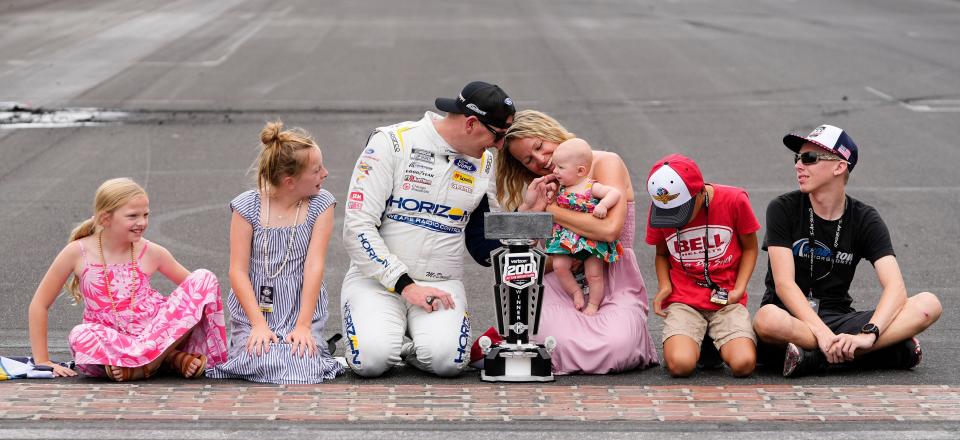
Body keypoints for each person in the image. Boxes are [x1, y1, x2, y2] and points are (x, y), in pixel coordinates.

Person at [340, 81, 515, 377]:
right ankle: (391, 342)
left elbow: (486, 247)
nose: (499, 146)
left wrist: (527, 214)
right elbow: (357, 227)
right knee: (371, 361)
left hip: (441, 284)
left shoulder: (485, 164)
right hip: (377, 281)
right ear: (471, 123)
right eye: (498, 136)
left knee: (447, 362)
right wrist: (406, 286)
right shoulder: (392, 142)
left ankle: (407, 345)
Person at [752, 124, 942, 377]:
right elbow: (784, 284)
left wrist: (869, 333)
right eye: (797, 158)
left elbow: (896, 288)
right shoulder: (782, 208)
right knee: (766, 319)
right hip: (793, 318)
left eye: (809, 158)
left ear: (839, 167)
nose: (798, 165)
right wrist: (822, 335)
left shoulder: (865, 218)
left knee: (929, 304)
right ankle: (885, 351)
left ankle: (817, 359)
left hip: (839, 317)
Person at [493, 110, 659, 374]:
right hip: (560, 280)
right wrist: (529, 208)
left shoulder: (604, 162)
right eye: (528, 160)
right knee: (550, 343)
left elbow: (608, 231)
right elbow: (523, 257)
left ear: (550, 132)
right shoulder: (544, 186)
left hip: (611, 276)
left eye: (539, 146)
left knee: (616, 346)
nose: (541, 160)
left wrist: (551, 211)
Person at [29, 178, 227, 380]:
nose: (142, 222)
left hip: (154, 335)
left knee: (204, 278)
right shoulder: (77, 252)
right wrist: (43, 360)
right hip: (112, 345)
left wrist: (170, 330)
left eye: (145, 215)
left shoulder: (151, 251)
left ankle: (148, 364)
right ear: (106, 219)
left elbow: (196, 298)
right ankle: (168, 358)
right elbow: (39, 304)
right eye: (133, 216)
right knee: (80, 335)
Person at [207, 122, 344, 384]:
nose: (325, 174)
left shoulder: (321, 204)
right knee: (260, 356)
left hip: (299, 309)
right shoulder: (246, 207)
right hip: (255, 310)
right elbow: (237, 271)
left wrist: (303, 325)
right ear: (289, 181)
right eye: (316, 170)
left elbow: (314, 267)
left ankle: (311, 338)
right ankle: (253, 337)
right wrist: (258, 324)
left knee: (303, 362)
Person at [644, 155, 760, 377]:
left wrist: (739, 289)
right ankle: (698, 342)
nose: (676, 219)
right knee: (680, 366)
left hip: (725, 298)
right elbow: (661, 254)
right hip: (684, 299)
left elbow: (750, 248)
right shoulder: (661, 207)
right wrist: (664, 287)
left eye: (682, 210)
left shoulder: (734, 200)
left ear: (700, 192)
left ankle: (710, 340)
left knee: (743, 364)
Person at [546, 137, 623, 315]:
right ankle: (575, 292)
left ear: (580, 171)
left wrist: (603, 205)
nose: (555, 171)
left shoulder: (590, 186)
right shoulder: (560, 187)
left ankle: (594, 304)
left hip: (590, 238)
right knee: (559, 266)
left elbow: (614, 193)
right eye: (555, 166)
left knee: (594, 274)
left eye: (561, 167)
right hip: (566, 238)